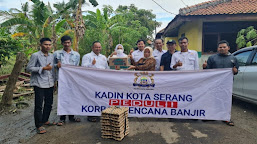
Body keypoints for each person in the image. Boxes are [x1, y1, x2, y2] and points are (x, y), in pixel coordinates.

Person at [203, 40, 239, 126]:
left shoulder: (233, 58)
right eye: (220, 47)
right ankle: (210, 116)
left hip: (227, 85)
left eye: (224, 47)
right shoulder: (212, 58)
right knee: (212, 100)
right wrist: (204, 67)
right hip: (214, 84)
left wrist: (235, 71)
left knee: (226, 101)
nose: (222, 49)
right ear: (218, 48)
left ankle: (226, 118)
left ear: (228, 48)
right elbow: (208, 71)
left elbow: (236, 70)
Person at [26, 38, 55, 134]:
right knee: (39, 105)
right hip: (39, 83)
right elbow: (29, 68)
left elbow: (52, 67)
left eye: (49, 45)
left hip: (50, 82)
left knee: (49, 103)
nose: (48, 46)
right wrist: (43, 68)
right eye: (46, 44)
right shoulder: (35, 55)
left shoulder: (52, 56)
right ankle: (38, 125)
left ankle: (45, 120)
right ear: (41, 45)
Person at [53, 35, 81, 126]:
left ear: (71, 43)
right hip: (61, 79)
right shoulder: (56, 54)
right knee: (62, 97)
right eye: (65, 43)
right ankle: (62, 118)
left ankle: (72, 116)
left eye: (68, 42)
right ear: (62, 43)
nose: (67, 44)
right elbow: (52, 66)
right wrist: (56, 66)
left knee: (72, 97)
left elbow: (76, 67)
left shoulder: (76, 55)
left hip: (72, 79)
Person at [81, 41, 108, 122]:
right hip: (91, 81)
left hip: (101, 81)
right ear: (92, 48)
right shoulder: (87, 56)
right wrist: (91, 64)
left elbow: (107, 68)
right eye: (96, 47)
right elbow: (83, 68)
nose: (98, 49)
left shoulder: (103, 57)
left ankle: (100, 113)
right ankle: (91, 115)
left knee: (100, 97)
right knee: (91, 97)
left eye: (99, 47)